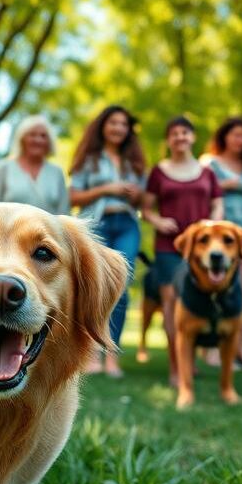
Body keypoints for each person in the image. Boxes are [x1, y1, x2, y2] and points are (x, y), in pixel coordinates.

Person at [142, 116, 224, 387]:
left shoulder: (207, 173)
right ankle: (176, 368)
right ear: (169, 140)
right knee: (170, 303)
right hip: (169, 247)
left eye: (185, 133)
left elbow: (218, 205)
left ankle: (190, 358)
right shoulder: (159, 171)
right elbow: (146, 209)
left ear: (193, 137)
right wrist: (158, 220)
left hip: (201, 251)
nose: (180, 137)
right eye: (175, 133)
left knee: (197, 302)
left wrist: (211, 227)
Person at [69, 105, 147, 377]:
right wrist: (107, 188)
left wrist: (136, 194)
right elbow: (73, 197)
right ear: (103, 126)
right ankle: (91, 353)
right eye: (113, 122)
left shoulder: (133, 163)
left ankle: (112, 355)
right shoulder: (88, 159)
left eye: (123, 124)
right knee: (94, 286)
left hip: (126, 224)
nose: (118, 128)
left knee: (121, 287)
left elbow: (144, 202)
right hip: (96, 225)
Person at [201, 117, 242, 370]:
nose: (240, 140)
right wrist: (226, 184)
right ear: (224, 136)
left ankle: (240, 344)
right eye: (235, 135)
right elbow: (198, 191)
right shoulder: (209, 163)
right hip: (220, 235)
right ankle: (212, 347)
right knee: (221, 289)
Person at [0, 115, 69, 215]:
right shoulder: (4, 168)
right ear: (22, 139)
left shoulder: (56, 172)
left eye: (43, 136)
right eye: (32, 135)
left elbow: (65, 213)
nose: (38, 140)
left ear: (49, 142)